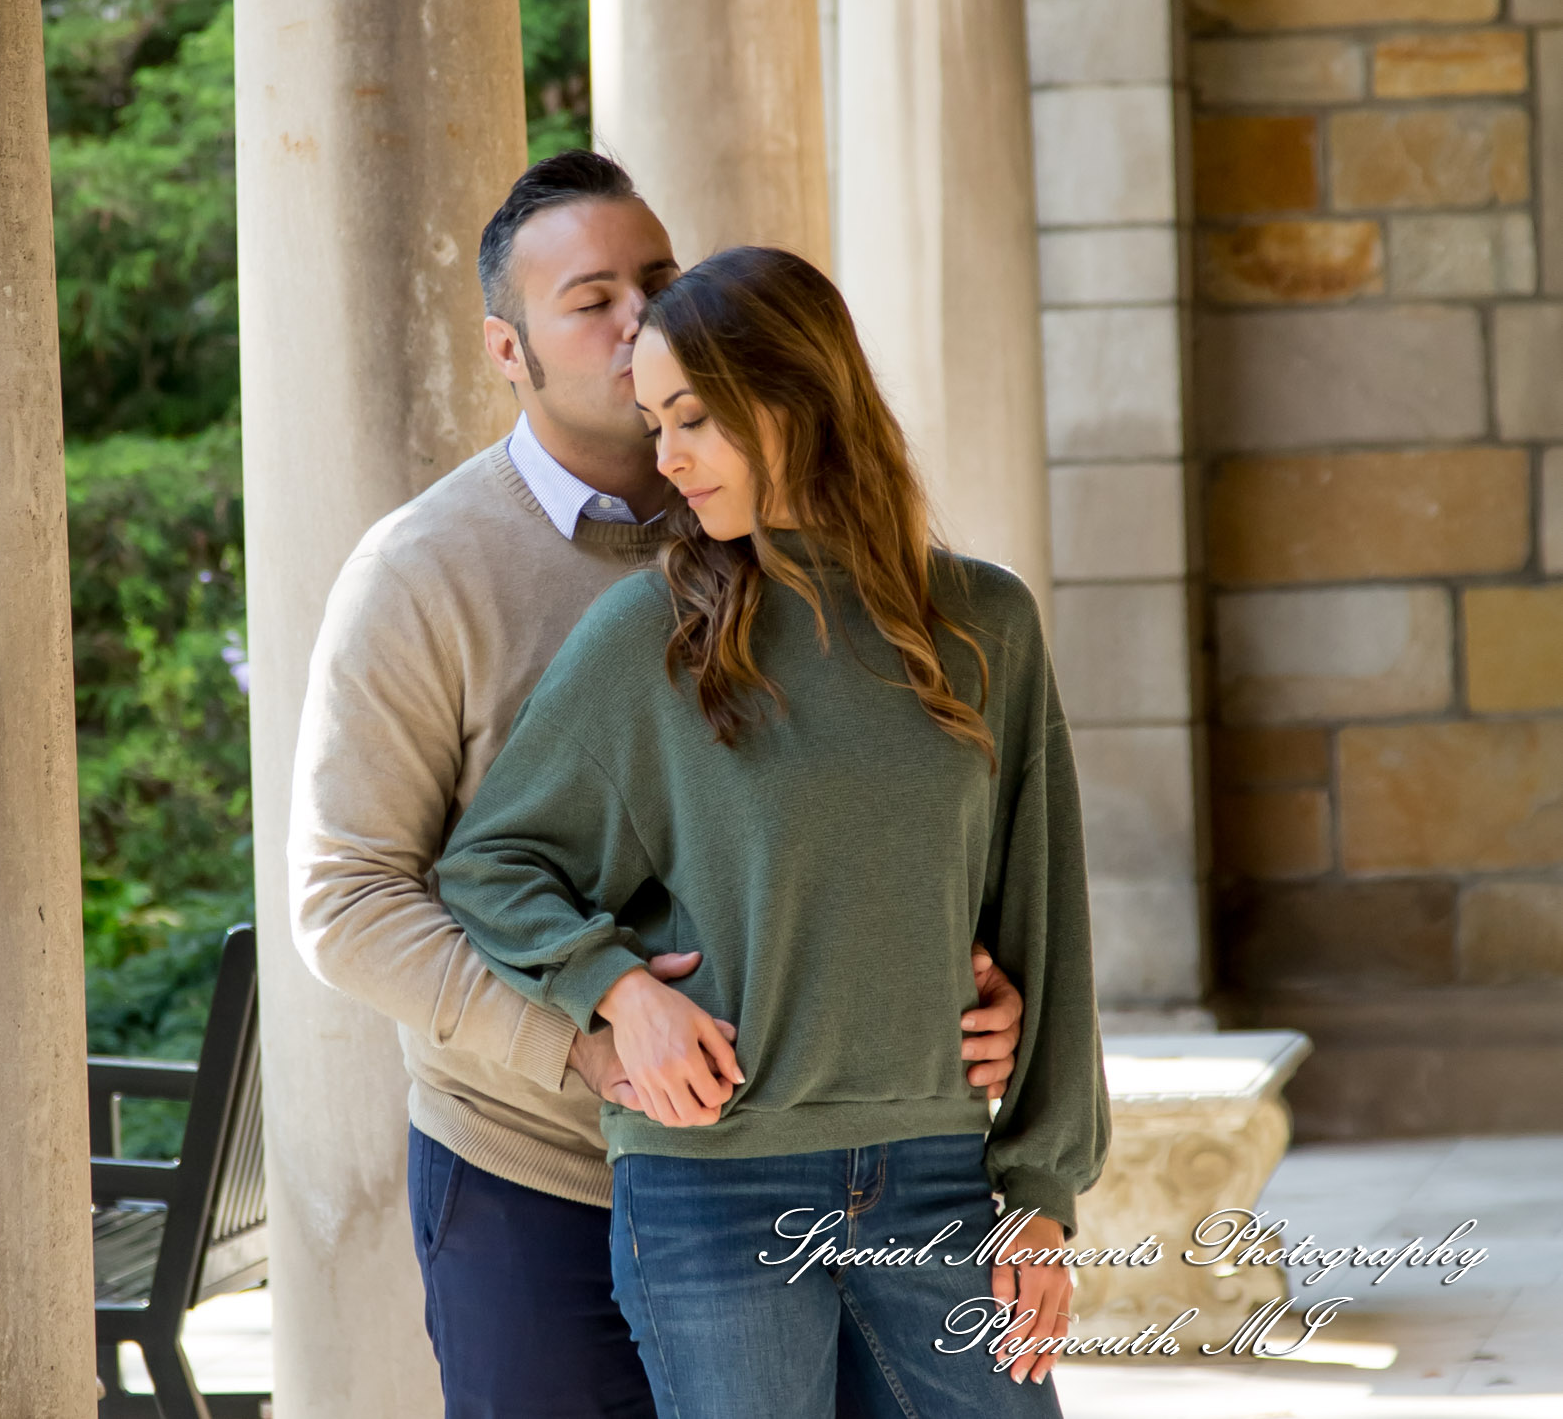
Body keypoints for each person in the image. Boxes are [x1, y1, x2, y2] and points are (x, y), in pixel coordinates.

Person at [288, 152, 1032, 1419]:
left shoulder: (800, 550)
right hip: (532, 1170)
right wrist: (589, 1034)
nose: (640, 318)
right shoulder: (421, 573)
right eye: (592, 299)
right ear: (508, 350)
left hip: (804, 1164)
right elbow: (349, 903)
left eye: (659, 279)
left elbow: (882, 812)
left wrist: (946, 978)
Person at [431, 244, 1111, 1417]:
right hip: (712, 1201)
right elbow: (491, 864)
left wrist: (1044, 1190)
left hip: (940, 1181)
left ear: (796, 394)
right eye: (654, 424)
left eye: (692, 418)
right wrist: (617, 990)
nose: (668, 458)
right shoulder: (653, 640)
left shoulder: (984, 624)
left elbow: (1046, 918)